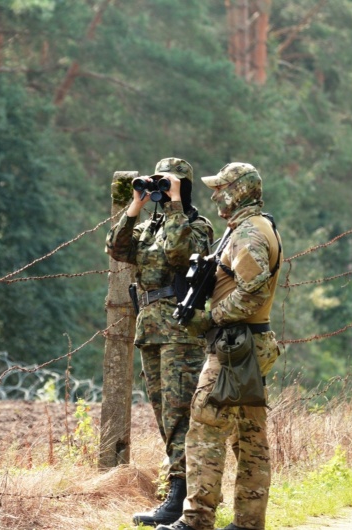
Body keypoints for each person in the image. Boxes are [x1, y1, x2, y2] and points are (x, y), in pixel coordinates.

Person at [157, 162, 283, 530]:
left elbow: (251, 293)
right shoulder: (250, 228)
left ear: (238, 191)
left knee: (204, 428)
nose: (215, 196)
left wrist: (210, 318)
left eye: (221, 188)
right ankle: (248, 523)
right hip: (248, 343)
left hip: (235, 345)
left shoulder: (249, 234)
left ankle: (196, 520)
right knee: (249, 437)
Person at [105, 157, 214, 527]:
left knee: (179, 414)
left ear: (184, 186)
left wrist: (175, 203)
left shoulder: (196, 225)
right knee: (163, 415)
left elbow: (178, 254)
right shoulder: (150, 226)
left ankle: (181, 497)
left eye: (170, 183)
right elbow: (118, 249)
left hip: (181, 332)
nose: (162, 191)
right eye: (161, 184)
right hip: (150, 328)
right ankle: (178, 493)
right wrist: (135, 204)